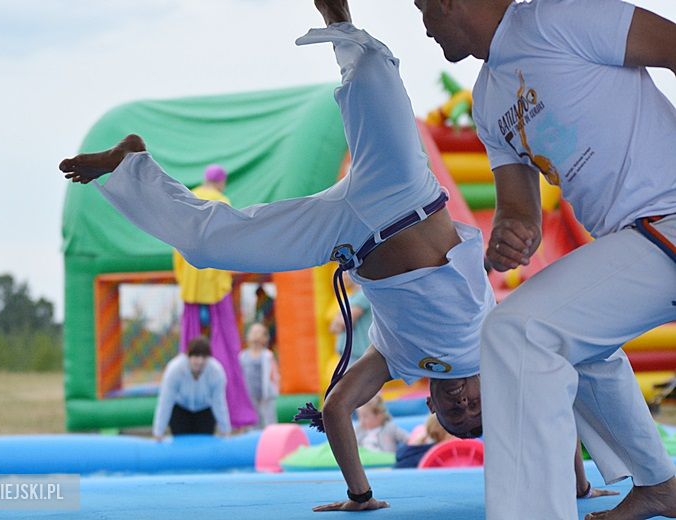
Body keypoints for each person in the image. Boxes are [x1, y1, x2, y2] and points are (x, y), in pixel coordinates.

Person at [60, 0, 495, 511]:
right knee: (372, 74)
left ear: (430, 404)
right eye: (476, 408)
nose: (463, 405)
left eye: (456, 416)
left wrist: (360, 495)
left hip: (346, 237)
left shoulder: (394, 358)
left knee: (209, 246)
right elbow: (555, 395)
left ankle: (132, 164)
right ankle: (337, 14)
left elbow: (335, 411)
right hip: (403, 195)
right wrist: (575, 485)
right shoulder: (495, 346)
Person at [411, 0, 676, 518]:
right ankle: (660, 482)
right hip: (639, 240)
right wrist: (511, 233)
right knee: (574, 342)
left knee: (518, 332)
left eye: (424, 8)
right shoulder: (488, 99)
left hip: (667, 215)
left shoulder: (559, 18)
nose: (424, 27)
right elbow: (518, 208)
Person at [172, 163, 258, 430]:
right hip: (215, 286)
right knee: (226, 347)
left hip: (191, 287)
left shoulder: (188, 197)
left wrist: (184, 278)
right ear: (221, 181)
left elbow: (176, 242)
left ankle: (184, 405)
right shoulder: (222, 201)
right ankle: (234, 414)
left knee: (190, 345)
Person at [152, 337, 232, 440]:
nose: (199, 361)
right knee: (181, 442)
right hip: (181, 409)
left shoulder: (216, 372)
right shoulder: (175, 370)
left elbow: (219, 402)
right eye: (196, 357)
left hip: (204, 409)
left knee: (204, 443)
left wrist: (225, 430)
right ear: (188, 356)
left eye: (204, 357)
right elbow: (165, 401)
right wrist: (158, 431)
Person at [238, 323, 280, 428]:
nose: (255, 335)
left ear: (265, 338)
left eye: (258, 333)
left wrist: (273, 390)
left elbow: (274, 375)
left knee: (268, 420)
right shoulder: (243, 356)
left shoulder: (267, 355)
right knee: (252, 421)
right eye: (253, 332)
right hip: (250, 395)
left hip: (265, 395)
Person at [328, 272, 371, 366]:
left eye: (345, 274)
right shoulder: (350, 297)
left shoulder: (362, 295)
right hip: (349, 355)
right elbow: (333, 327)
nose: (343, 278)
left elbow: (342, 323)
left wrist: (338, 320)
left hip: (357, 356)